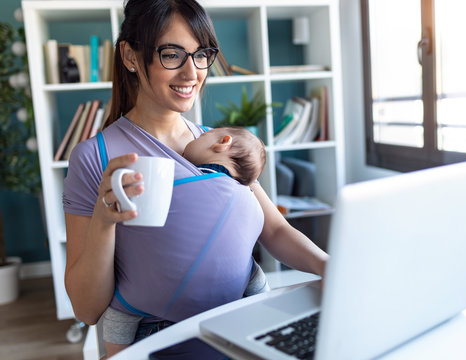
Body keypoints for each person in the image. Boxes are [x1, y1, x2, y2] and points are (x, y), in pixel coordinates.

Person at [63, 0, 328, 355]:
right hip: (160, 338)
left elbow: (276, 230)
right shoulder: (94, 158)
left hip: (239, 318)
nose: (192, 74)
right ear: (129, 56)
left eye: (201, 54)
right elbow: (86, 309)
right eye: (172, 54)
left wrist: (330, 267)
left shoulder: (218, 147)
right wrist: (103, 221)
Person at [101, 126, 269, 356]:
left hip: (146, 298)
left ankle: (115, 354)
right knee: (251, 270)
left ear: (223, 142)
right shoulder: (249, 199)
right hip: (226, 297)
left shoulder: (173, 183)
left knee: (119, 314)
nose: (194, 138)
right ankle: (265, 318)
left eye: (201, 136)